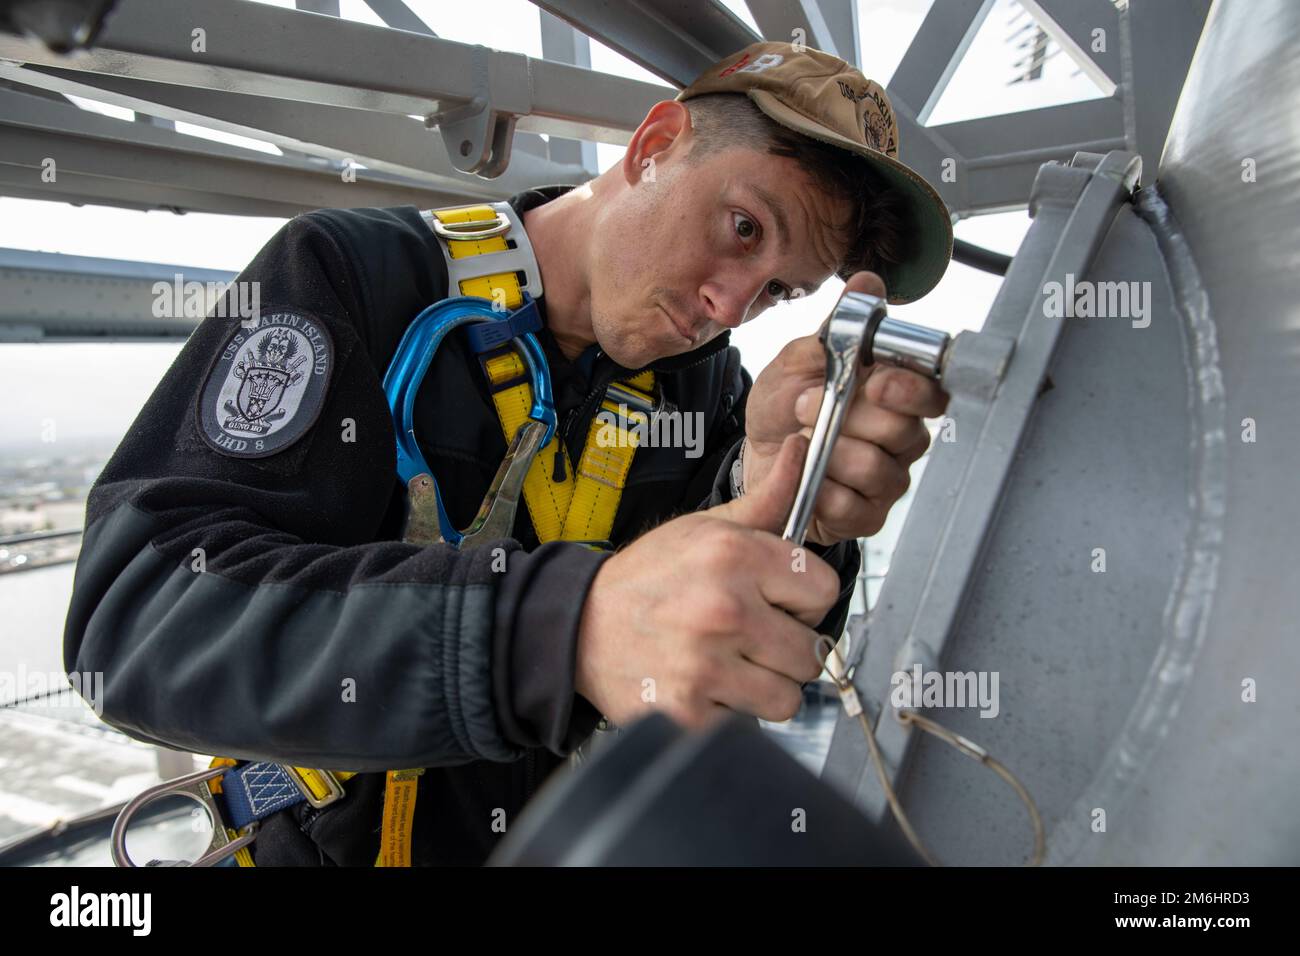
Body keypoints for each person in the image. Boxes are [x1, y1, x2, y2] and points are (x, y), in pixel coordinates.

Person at [62, 40, 952, 866]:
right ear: (655, 143)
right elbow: (139, 617)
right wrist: (555, 635)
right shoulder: (353, 275)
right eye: (745, 229)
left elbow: (738, 655)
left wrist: (790, 509)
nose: (729, 305)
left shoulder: (712, 391)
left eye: (778, 292)